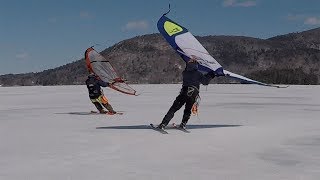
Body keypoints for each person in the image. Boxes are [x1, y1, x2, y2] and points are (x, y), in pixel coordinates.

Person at [157, 57, 215, 130]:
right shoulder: (198, 73)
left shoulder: (185, 73)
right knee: (188, 109)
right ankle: (183, 124)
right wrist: (212, 74)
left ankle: (163, 124)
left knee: (174, 108)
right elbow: (205, 81)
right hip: (193, 94)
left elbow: (194, 76)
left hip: (184, 92)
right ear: (196, 65)